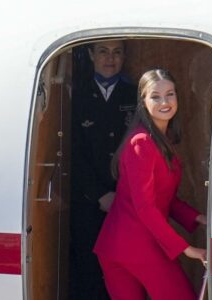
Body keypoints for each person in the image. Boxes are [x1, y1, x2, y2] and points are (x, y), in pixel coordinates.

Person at [93, 69, 207, 300]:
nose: (165, 102)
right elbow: (145, 207)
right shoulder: (142, 142)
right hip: (136, 245)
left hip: (122, 246)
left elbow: (166, 199)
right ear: (143, 102)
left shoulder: (161, 140)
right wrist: (187, 249)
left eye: (170, 94)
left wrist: (201, 218)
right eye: (155, 96)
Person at [70, 39, 137, 299]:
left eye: (117, 52)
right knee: (88, 268)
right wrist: (99, 194)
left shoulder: (136, 95)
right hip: (88, 200)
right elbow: (73, 153)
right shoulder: (77, 95)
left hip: (125, 200)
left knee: (122, 269)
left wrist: (122, 194)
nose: (110, 59)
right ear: (90, 55)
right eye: (103, 52)